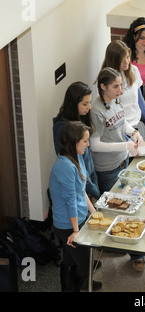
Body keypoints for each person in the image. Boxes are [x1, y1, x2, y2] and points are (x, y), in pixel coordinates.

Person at [90, 67, 145, 272]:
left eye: (121, 85)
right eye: (115, 86)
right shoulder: (96, 110)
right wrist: (126, 146)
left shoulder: (116, 100)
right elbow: (94, 144)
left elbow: (121, 125)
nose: (120, 90)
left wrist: (134, 133)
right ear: (103, 87)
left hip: (123, 162)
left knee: (132, 206)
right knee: (118, 211)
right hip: (107, 169)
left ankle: (132, 249)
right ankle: (134, 254)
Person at [49, 121, 102, 291]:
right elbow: (70, 200)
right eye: (85, 141)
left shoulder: (78, 156)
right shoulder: (65, 166)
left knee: (71, 258)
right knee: (85, 262)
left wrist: (93, 211)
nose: (88, 144)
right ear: (73, 142)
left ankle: (68, 286)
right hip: (67, 224)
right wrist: (76, 231)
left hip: (77, 218)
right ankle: (80, 283)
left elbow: (81, 189)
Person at [101, 40, 145, 140]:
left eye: (127, 57)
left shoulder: (133, 70)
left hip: (139, 122)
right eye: (122, 59)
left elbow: (140, 100)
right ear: (114, 60)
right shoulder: (106, 82)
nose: (126, 62)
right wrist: (128, 140)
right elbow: (112, 115)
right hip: (122, 129)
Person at [53, 81, 100, 200]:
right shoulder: (63, 129)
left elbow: (88, 156)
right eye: (85, 104)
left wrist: (95, 183)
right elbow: (77, 167)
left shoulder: (81, 118)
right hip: (81, 190)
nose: (89, 107)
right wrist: (94, 190)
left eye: (89, 102)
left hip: (90, 182)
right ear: (72, 104)